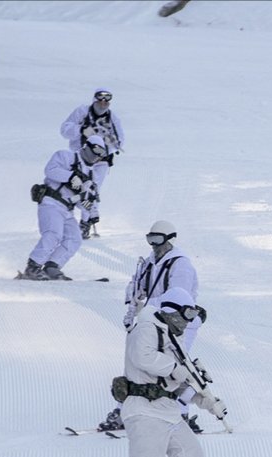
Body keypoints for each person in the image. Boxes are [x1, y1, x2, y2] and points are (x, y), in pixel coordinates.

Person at [99, 220, 205, 433]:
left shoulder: (180, 264)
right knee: (136, 366)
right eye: (150, 239)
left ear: (170, 239)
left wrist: (145, 308)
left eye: (158, 240)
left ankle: (179, 414)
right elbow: (134, 284)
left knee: (172, 368)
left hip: (178, 325)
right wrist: (131, 306)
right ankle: (124, 410)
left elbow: (178, 299)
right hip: (152, 321)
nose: (154, 245)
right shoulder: (149, 262)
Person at [120, 287, 226, 457]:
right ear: (173, 311)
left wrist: (203, 401)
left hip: (168, 412)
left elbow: (174, 384)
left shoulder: (172, 338)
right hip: (145, 413)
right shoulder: (147, 328)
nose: (188, 322)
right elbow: (142, 356)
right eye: (188, 314)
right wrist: (175, 368)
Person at [19, 136, 107, 281]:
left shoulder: (90, 174)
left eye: (101, 153)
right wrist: (71, 176)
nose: (96, 155)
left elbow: (82, 199)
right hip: (51, 203)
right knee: (53, 234)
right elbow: (50, 170)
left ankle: (52, 267)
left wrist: (87, 206)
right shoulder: (66, 156)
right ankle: (32, 267)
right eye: (96, 150)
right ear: (87, 146)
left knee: (74, 239)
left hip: (67, 209)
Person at [60, 87, 125, 239]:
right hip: (80, 159)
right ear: (94, 99)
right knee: (75, 188)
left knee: (92, 189)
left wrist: (110, 142)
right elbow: (64, 130)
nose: (103, 103)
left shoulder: (113, 118)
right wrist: (82, 130)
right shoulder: (82, 112)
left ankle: (85, 222)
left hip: (101, 161)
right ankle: (65, 220)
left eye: (107, 100)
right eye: (100, 99)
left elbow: (120, 142)